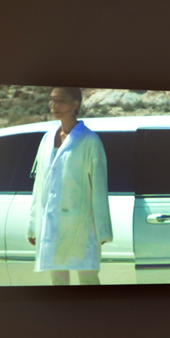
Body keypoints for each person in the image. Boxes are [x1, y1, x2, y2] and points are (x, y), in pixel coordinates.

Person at [26, 87, 112, 285]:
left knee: (88, 277)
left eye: (61, 101)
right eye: (52, 100)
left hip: (81, 222)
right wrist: (32, 225)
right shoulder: (47, 138)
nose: (54, 106)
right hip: (51, 222)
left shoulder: (89, 140)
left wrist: (102, 229)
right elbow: (39, 185)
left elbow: (99, 186)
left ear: (75, 104)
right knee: (57, 278)